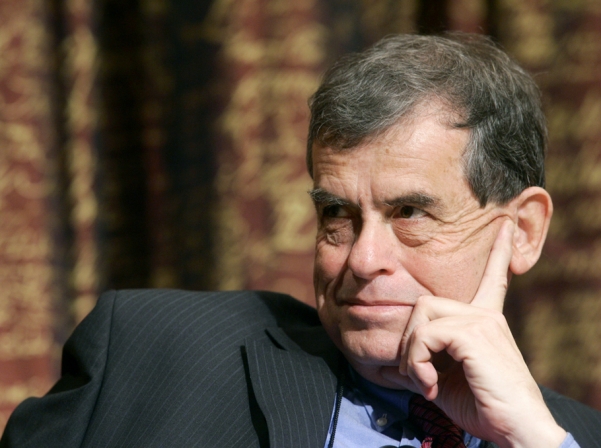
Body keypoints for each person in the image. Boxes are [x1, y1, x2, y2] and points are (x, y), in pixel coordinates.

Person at [2, 33, 601, 448]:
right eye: (337, 213)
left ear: (521, 232)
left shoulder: (569, 437)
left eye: (411, 212)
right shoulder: (149, 352)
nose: (363, 260)